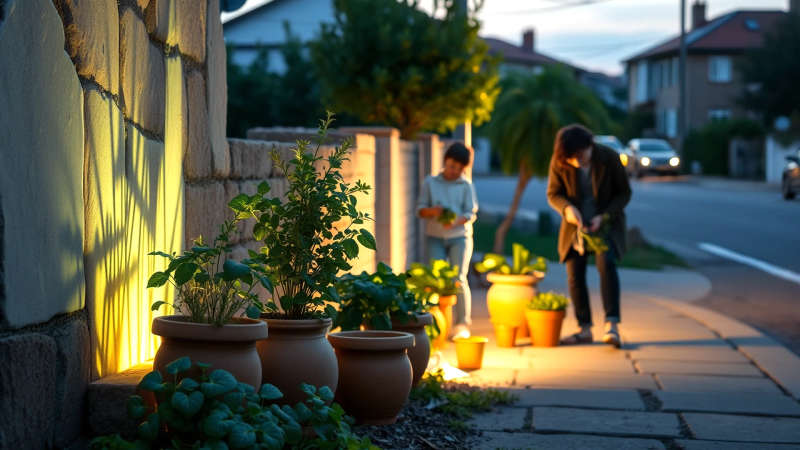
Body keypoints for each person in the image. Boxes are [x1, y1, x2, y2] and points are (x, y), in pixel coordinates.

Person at [546, 124, 632, 348]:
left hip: (605, 226)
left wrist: (604, 216)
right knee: (574, 274)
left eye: (580, 156)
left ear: (589, 145)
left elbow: (624, 193)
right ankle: (584, 328)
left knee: (607, 267)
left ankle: (611, 325)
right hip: (575, 228)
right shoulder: (560, 161)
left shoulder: (609, 158)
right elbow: (553, 194)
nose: (577, 161)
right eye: (571, 159)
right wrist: (567, 210)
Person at [417, 142, 479, 340]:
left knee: (458, 279)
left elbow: (471, 212)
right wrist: (434, 212)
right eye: (452, 166)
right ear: (445, 161)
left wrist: (455, 222)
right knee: (435, 280)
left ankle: (462, 324)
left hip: (459, 237)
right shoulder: (430, 182)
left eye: (460, 168)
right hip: (435, 236)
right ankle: (435, 323)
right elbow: (420, 210)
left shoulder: (465, 184)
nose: (455, 171)